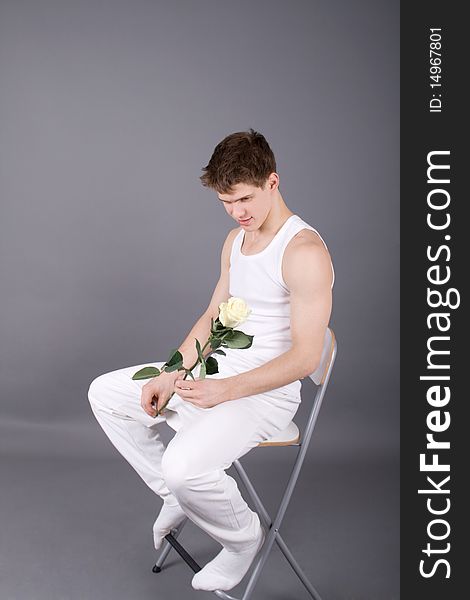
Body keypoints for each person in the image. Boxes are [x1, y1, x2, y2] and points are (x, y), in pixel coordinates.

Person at [87, 128, 334, 592]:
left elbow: (306, 357)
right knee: (105, 394)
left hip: (265, 394)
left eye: (244, 199)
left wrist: (225, 390)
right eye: (226, 202)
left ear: (273, 182)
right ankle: (176, 497)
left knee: (185, 467)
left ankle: (242, 537)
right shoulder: (234, 242)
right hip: (214, 372)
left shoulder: (304, 253)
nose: (237, 212)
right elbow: (211, 316)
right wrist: (172, 371)